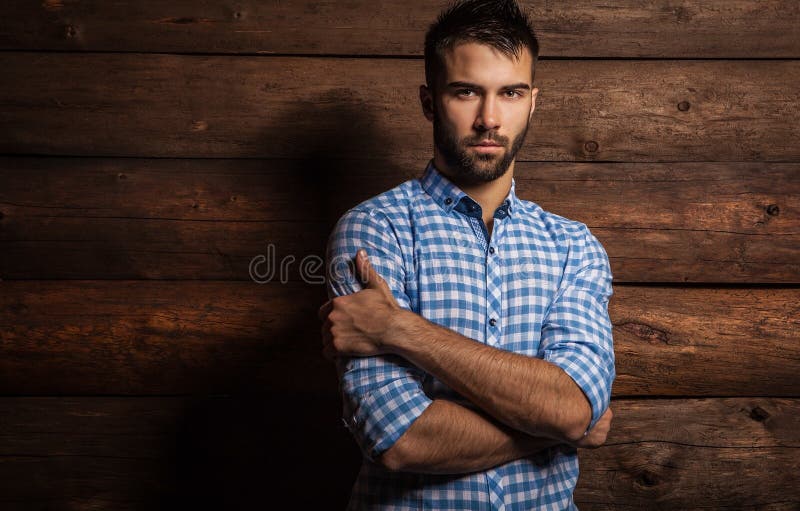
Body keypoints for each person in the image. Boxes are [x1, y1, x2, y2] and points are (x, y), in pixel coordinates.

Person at [318, 0, 615, 508]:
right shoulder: (374, 231)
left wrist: (398, 328)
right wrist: (559, 428)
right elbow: (401, 439)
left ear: (533, 101)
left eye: (511, 93)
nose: (489, 118)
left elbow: (572, 407)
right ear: (430, 101)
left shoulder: (574, 246)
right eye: (466, 92)